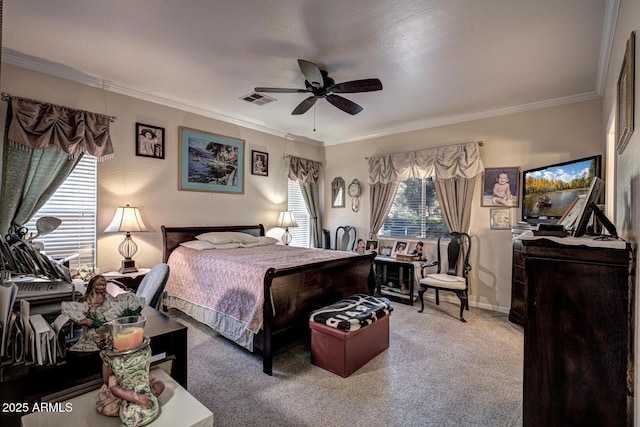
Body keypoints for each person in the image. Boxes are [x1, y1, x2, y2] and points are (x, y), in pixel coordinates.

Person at [94, 325, 164, 426]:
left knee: (160, 385)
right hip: (122, 392)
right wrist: (138, 398)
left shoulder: (132, 353)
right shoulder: (113, 360)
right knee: (112, 408)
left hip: (136, 385)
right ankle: (143, 400)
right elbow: (112, 386)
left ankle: (148, 396)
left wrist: (144, 378)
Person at [62, 274, 145, 352]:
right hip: (94, 331)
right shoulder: (86, 300)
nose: (101, 287)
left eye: (103, 285)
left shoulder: (107, 297)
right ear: (93, 285)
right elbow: (76, 316)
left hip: (107, 328)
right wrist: (86, 321)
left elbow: (114, 307)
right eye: (98, 285)